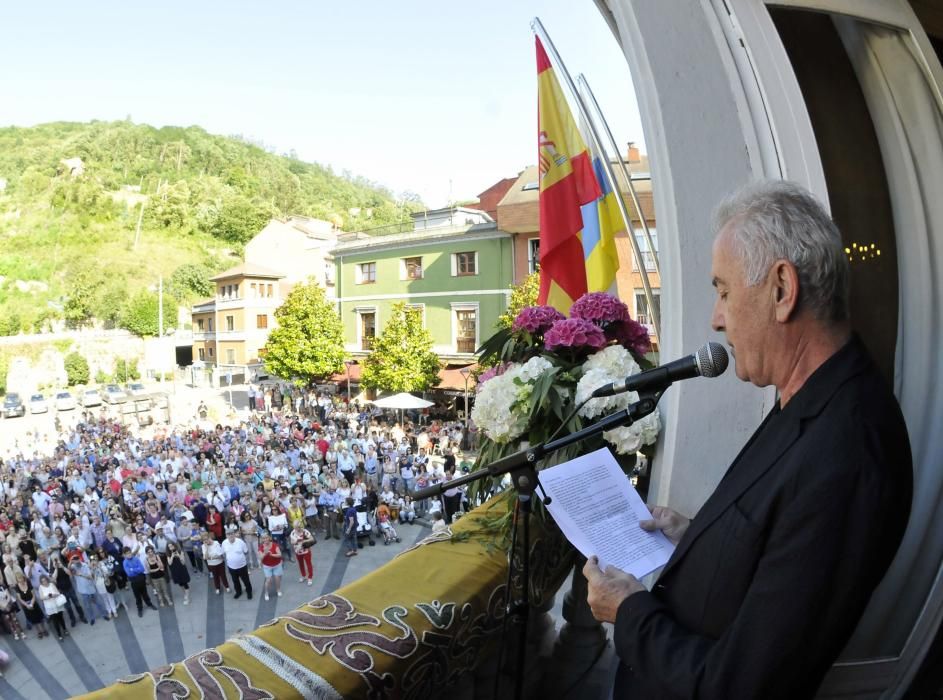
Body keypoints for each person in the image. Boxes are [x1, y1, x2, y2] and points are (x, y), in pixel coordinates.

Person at [582, 181, 913, 699]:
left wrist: (628, 613)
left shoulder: (850, 451)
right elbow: (779, 538)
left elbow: (742, 686)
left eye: (723, 291)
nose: (717, 317)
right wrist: (698, 536)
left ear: (782, 289)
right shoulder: (808, 396)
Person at [122, 547, 157, 618]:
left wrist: (132, 569)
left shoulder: (136, 558)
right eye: (127, 553)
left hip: (141, 579)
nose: (129, 554)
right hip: (134, 581)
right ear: (125, 555)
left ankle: (149, 604)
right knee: (137, 597)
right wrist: (136, 570)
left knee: (145, 593)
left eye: (129, 552)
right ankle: (140, 609)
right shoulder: (125, 562)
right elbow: (129, 573)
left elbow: (142, 569)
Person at [221, 527, 252, 600]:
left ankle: (249, 591)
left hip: (242, 566)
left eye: (231, 534)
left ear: (234, 534)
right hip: (231, 567)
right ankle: (238, 592)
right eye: (228, 534)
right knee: (235, 581)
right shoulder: (224, 543)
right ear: (226, 535)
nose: (230, 536)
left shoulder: (240, 542)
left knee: (246, 580)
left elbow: (246, 551)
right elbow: (223, 553)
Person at [14, 572, 48, 638]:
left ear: (23, 577)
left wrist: (32, 603)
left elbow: (33, 594)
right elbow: (20, 599)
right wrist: (27, 605)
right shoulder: (17, 587)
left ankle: (44, 629)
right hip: (25, 605)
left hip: (33, 602)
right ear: (17, 579)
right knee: (33, 619)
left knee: (39, 617)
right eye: (19, 579)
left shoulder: (28, 582)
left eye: (21, 578)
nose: (20, 580)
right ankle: (39, 631)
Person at [38, 574, 68, 640]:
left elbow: (58, 593)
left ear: (47, 580)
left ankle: (65, 629)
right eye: (42, 581)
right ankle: (59, 634)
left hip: (57, 604)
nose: (44, 582)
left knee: (61, 618)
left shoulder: (51, 584)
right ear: (41, 582)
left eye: (45, 580)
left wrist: (54, 595)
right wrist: (47, 597)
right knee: (55, 621)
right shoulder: (40, 587)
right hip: (50, 607)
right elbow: (41, 597)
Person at [289, 520, 315, 586]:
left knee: (309, 564)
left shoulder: (305, 531)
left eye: (298, 527)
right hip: (298, 551)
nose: (296, 529)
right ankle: (303, 575)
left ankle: (310, 577)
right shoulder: (293, 533)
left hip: (306, 551)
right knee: (301, 564)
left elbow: (312, 539)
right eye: (295, 527)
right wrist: (296, 542)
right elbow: (292, 542)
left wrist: (304, 541)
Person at [258, 532, 283, 600]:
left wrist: (272, 555)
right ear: (262, 539)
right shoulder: (261, 547)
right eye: (263, 538)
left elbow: (280, 555)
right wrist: (265, 553)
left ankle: (278, 590)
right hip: (267, 566)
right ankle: (266, 593)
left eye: (266, 537)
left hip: (277, 565)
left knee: (277, 578)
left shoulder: (275, 545)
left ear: (269, 538)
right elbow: (260, 558)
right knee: (268, 580)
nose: (265, 539)